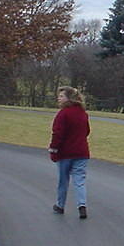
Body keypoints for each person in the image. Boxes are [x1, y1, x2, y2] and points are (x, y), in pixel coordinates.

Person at [48, 86, 91, 219]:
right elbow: (87, 131)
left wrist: (53, 150)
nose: (58, 98)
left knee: (63, 180)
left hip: (65, 153)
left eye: (61, 96)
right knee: (79, 180)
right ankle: (82, 205)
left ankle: (60, 205)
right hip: (82, 152)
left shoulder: (63, 114)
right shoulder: (83, 114)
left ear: (68, 98)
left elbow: (57, 134)